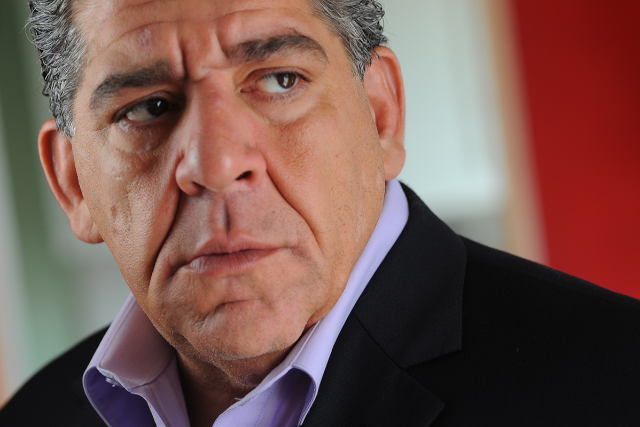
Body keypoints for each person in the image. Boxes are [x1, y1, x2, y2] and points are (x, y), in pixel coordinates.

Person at [2, 0, 640, 425]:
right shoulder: (34, 416)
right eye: (148, 108)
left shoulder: (618, 384)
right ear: (72, 182)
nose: (218, 165)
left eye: (280, 80)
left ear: (381, 114)